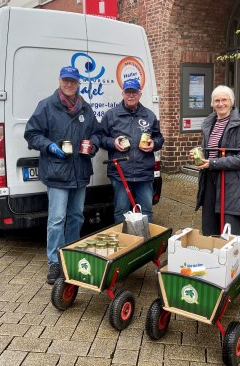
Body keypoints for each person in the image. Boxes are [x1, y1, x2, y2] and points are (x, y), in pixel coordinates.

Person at [24, 66, 101, 284]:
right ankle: (54, 262)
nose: (69, 84)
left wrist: (92, 144)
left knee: (76, 216)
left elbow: (96, 132)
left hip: (80, 171)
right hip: (57, 172)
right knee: (57, 219)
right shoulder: (47, 106)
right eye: (66, 80)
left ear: (78, 83)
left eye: (73, 81)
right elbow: (31, 134)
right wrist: (49, 146)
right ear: (59, 80)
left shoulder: (85, 108)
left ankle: (71, 255)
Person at [191, 85, 240, 236]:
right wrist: (199, 156)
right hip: (209, 183)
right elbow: (209, 150)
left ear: (231, 102)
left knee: (228, 234)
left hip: (230, 185)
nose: (220, 104)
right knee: (209, 231)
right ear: (212, 103)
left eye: (224, 100)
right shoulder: (209, 123)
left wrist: (213, 163)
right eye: (216, 100)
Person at [100, 78, 164, 223]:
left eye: (134, 92)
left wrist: (154, 144)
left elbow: (159, 138)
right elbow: (101, 138)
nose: (131, 95)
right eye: (128, 92)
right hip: (121, 173)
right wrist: (113, 142)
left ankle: (146, 243)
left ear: (140, 94)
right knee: (121, 211)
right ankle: (124, 243)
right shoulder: (111, 115)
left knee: (146, 211)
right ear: (122, 93)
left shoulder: (149, 115)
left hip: (144, 173)